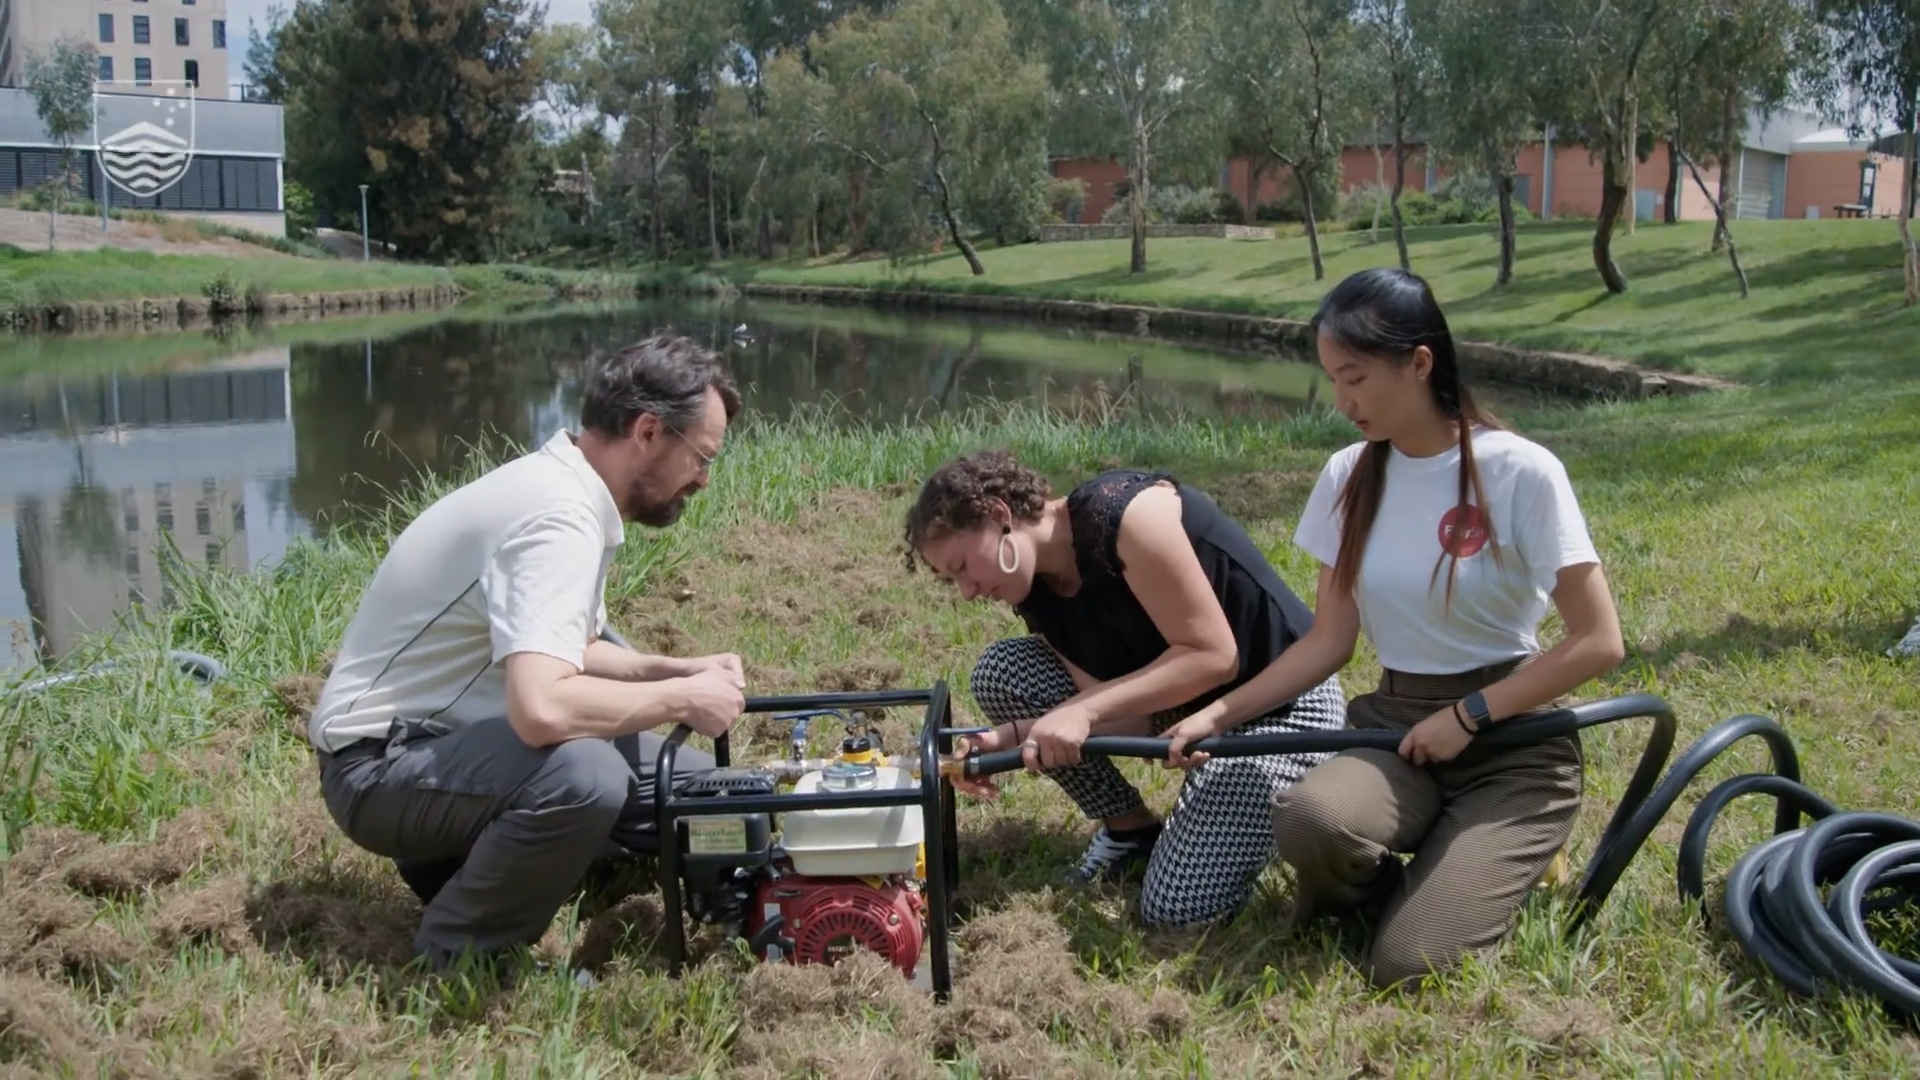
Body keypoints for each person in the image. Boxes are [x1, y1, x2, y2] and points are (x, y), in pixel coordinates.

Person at [1166, 267, 1627, 988]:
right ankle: (1416, 881)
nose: (1341, 400)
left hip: (1513, 742)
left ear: (1419, 362)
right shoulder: (1349, 475)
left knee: (1410, 967)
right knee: (1310, 818)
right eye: (1332, 380)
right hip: (1398, 729)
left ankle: (1481, 866)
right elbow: (1329, 641)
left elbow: (1600, 640)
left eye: (1354, 378)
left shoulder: (1521, 471)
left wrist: (1470, 715)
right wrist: (1217, 716)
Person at [308, 334, 751, 971]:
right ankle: (461, 951)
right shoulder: (556, 516)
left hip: (455, 749)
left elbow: (575, 649)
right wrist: (681, 698)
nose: (703, 479)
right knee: (586, 776)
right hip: (379, 768)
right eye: (701, 457)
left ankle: (485, 863)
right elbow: (542, 710)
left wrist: (678, 669)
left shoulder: (567, 490)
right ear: (649, 431)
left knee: (709, 792)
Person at [903, 451, 1347, 930]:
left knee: (1176, 909)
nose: (967, 591)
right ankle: (1131, 833)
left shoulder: (1127, 515)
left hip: (1280, 706)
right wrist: (1013, 738)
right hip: (1186, 716)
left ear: (999, 515)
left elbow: (1214, 655)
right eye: (952, 579)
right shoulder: (1036, 590)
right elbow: (1129, 720)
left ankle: (1280, 811)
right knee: (1003, 672)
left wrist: (1083, 711)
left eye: (962, 566)